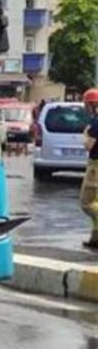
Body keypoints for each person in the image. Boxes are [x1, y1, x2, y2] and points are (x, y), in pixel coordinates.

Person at [81, 88, 98, 249]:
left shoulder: (96, 122)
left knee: (87, 203)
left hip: (95, 166)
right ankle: (95, 238)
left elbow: (88, 145)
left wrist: (85, 134)